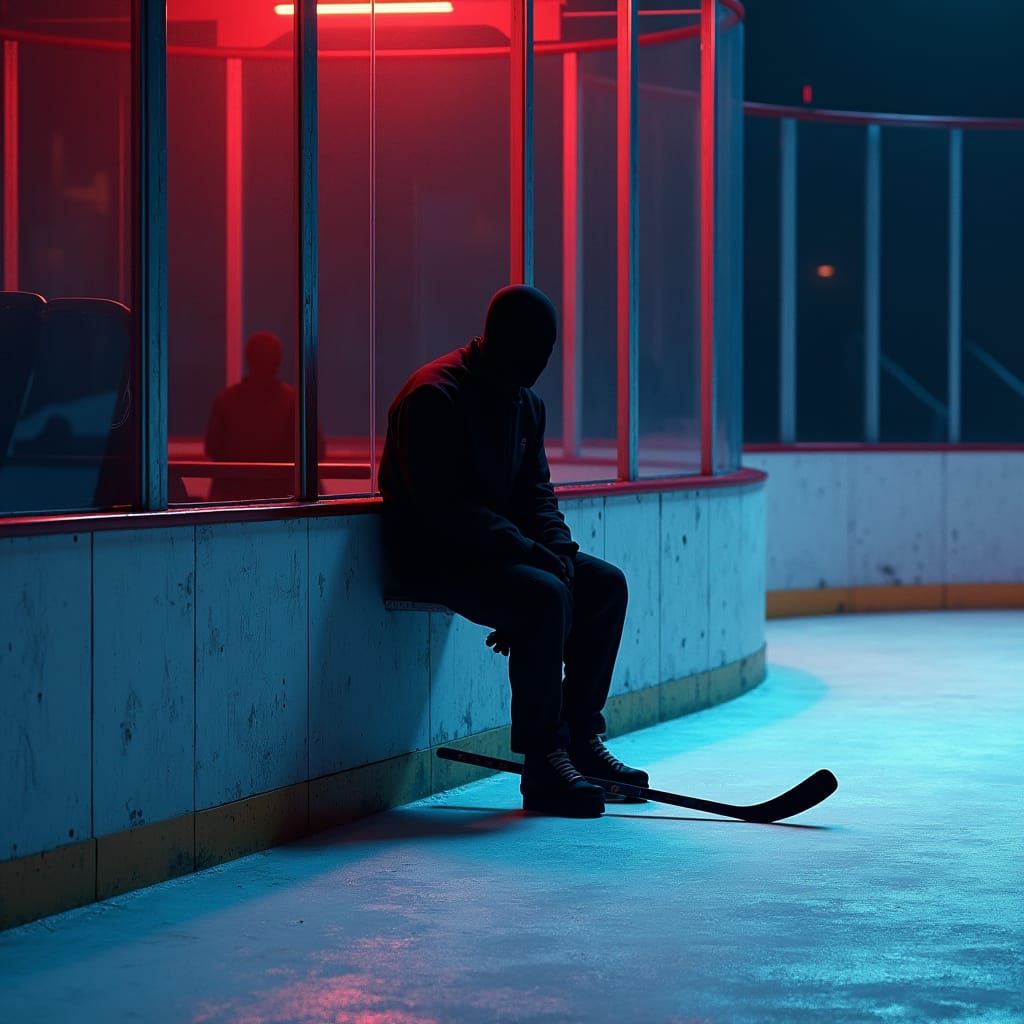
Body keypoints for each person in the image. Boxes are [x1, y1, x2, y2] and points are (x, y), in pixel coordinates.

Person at [379, 285, 649, 818]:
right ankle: (544, 760)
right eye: (533, 352)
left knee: (603, 585)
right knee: (544, 596)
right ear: (501, 340)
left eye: (548, 354)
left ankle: (577, 739)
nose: (541, 365)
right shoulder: (434, 397)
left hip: (498, 550)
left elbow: (537, 496)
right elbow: (445, 511)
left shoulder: (526, 404)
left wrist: (559, 552)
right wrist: (532, 556)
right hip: (436, 555)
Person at [205, 331, 316, 501]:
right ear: (278, 361)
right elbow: (315, 449)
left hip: (232, 494)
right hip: (282, 496)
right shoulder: (293, 401)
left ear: (248, 358)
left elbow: (212, 447)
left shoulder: (226, 399)